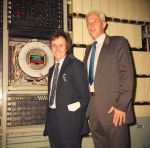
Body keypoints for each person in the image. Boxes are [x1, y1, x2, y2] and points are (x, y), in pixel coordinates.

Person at [84, 11, 135, 148]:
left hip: (114, 109)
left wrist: (121, 106)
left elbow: (127, 75)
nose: (91, 25)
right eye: (88, 23)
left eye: (94, 21)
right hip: (93, 109)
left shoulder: (118, 43)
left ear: (104, 24)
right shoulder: (88, 50)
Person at [43, 30, 90, 148]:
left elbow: (85, 97)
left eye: (61, 45)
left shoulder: (75, 65)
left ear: (67, 47)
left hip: (70, 123)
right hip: (52, 122)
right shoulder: (51, 70)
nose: (57, 48)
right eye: (54, 45)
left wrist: (70, 109)